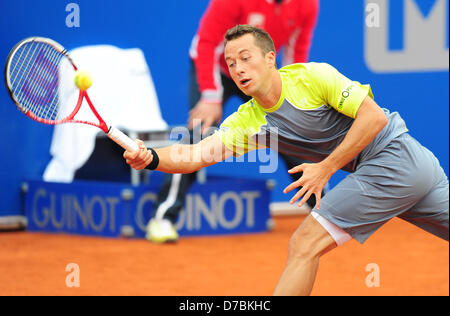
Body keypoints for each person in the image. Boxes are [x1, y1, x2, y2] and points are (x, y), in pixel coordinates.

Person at [124, 25, 449, 295]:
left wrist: (325, 168)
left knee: (304, 244)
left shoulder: (313, 77)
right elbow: (196, 154)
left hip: (392, 159)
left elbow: (374, 118)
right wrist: (150, 157)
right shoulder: (247, 121)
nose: (237, 69)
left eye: (245, 58)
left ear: (269, 58)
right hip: (417, 164)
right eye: (230, 62)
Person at [149, 0, 321, 243]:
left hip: (259, 71)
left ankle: (325, 214)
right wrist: (210, 95)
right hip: (216, 66)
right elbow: (207, 43)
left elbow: (296, 53)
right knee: (200, 132)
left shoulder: (308, 4)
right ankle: (163, 217)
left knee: (289, 131)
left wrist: (291, 99)